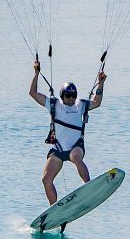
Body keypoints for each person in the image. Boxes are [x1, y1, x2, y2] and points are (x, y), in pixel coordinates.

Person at [29, 58, 105, 205]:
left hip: (76, 146)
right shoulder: (53, 104)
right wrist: (36, 74)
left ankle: (89, 187)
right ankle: (54, 210)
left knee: (75, 156)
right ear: (62, 95)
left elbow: (97, 102)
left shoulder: (81, 105)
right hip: (58, 149)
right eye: (68, 96)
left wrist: (101, 84)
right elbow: (32, 93)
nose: (71, 99)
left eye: (73, 96)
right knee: (46, 179)